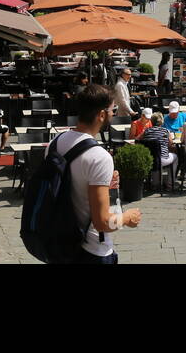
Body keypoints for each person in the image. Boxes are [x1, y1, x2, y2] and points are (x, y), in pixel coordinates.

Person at [50, 83, 141, 263]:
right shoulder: (99, 157)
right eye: (112, 109)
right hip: (91, 248)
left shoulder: (56, 142)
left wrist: (105, 186)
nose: (113, 114)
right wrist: (127, 218)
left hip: (60, 241)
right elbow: (103, 223)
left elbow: (71, 185)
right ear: (101, 115)